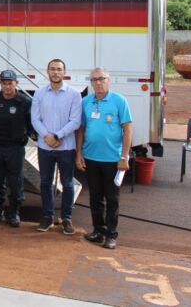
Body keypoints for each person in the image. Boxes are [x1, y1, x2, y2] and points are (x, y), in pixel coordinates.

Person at [77, 67, 133, 250]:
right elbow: (81, 130)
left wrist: (124, 156)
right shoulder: (85, 101)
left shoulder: (119, 101)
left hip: (112, 160)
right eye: (94, 80)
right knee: (95, 197)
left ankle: (111, 235)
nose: (98, 83)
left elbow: (127, 129)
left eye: (101, 79)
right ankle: (98, 231)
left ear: (109, 80)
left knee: (112, 199)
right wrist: (79, 153)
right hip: (91, 158)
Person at [31, 58, 82, 235]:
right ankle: (47, 217)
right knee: (45, 182)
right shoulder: (39, 93)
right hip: (45, 146)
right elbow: (35, 119)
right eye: (52, 69)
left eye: (59, 69)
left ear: (64, 72)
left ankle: (66, 219)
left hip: (66, 146)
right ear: (47, 72)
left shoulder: (74, 95)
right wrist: (47, 136)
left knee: (67, 183)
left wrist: (58, 135)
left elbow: (75, 121)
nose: (55, 72)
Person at [0, 70, 33, 227]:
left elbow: (30, 124)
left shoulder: (24, 102)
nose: (7, 86)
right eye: (4, 83)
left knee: (15, 181)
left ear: (16, 84)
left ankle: (14, 213)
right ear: (0, 84)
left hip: (15, 147)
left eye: (10, 83)